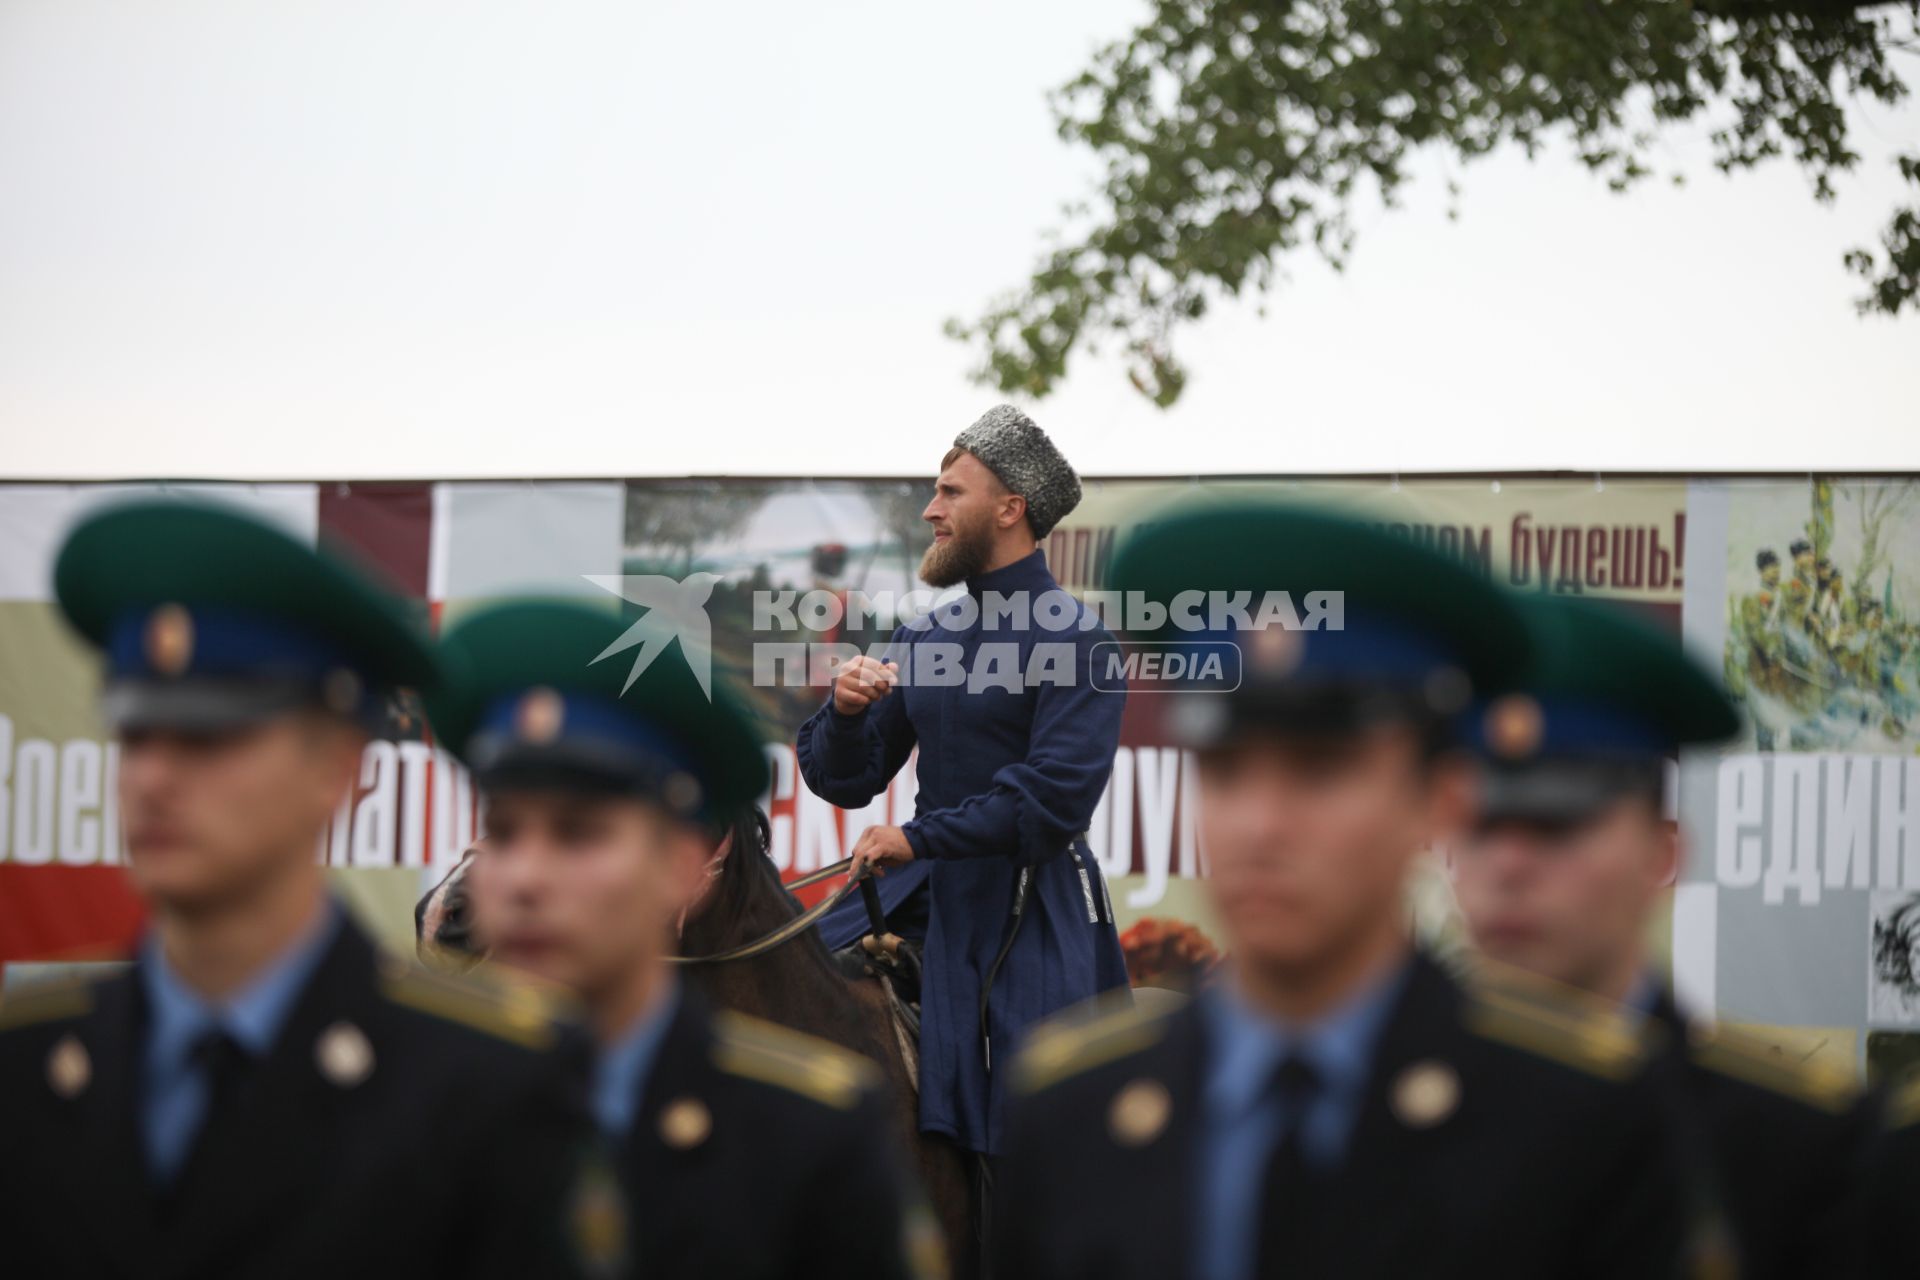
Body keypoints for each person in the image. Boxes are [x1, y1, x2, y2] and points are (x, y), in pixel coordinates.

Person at [993, 500, 1694, 1280]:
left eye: (1320, 770)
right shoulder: (1069, 1114)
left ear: (1441, 803)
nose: (1261, 824)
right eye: (1225, 771)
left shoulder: (1583, 1122)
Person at [0, 500, 602, 1279]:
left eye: (209, 737)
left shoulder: (495, 1091)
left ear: (341, 771)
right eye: (136, 734)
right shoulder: (22, 1069)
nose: (153, 778)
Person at [428, 598, 941, 1280]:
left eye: (579, 835)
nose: (521, 879)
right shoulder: (410, 1118)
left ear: (683, 865)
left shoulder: (816, 1145)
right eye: (503, 831)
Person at [1448, 590, 1878, 1280]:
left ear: (1664, 853)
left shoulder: (1788, 1145)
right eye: (1479, 826)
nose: (1508, 865)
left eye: (1558, 825)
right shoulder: (1354, 1121)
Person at [795, 406, 1129, 1175]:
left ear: (1010, 509)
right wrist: (845, 714)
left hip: (1030, 905)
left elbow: (1050, 802)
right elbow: (846, 779)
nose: (930, 510)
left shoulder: (1077, 640)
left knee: (1037, 1139)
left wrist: (915, 838)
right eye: (934, 493)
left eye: (950, 493)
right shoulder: (925, 636)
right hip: (920, 889)